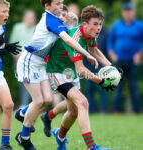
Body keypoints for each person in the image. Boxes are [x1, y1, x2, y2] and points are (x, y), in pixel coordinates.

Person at [15, 0, 100, 149]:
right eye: (57, 3)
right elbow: (67, 39)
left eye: (62, 3)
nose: (61, 6)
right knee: (38, 101)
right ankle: (24, 137)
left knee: (47, 99)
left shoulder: (56, 19)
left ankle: (22, 113)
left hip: (42, 63)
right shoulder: (50, 19)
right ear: (47, 6)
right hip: (31, 60)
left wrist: (70, 21)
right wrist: (87, 54)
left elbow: (68, 34)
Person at [45, 5, 114, 150]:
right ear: (84, 24)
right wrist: (101, 81)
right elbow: (82, 70)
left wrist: (110, 68)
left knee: (73, 111)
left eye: (100, 24)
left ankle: (60, 136)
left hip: (70, 72)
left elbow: (94, 50)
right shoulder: (74, 37)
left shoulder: (90, 35)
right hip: (57, 71)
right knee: (83, 102)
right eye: (95, 24)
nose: (99, 28)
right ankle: (92, 147)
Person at [0, 0, 21, 150]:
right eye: (3, 11)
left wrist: (6, 47)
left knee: (9, 106)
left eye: (7, 12)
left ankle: (5, 144)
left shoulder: (1, 27)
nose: (7, 15)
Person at [107, 2, 143, 113]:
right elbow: (109, 42)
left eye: (130, 11)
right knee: (118, 86)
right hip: (119, 60)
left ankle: (136, 111)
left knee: (133, 86)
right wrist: (112, 54)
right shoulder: (116, 25)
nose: (128, 13)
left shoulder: (139, 26)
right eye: (126, 11)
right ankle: (117, 110)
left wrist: (140, 54)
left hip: (133, 61)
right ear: (123, 13)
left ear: (133, 12)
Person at [10, 9, 36, 107]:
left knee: (32, 82)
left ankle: (28, 104)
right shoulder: (17, 28)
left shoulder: (36, 29)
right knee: (22, 82)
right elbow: (12, 44)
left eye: (32, 18)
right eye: (28, 17)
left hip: (32, 61)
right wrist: (17, 55)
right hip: (19, 59)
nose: (30, 20)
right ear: (24, 18)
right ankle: (24, 104)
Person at [83, 26, 109, 113]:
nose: (99, 26)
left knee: (102, 88)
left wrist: (107, 64)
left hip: (101, 66)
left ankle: (103, 111)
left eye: (100, 23)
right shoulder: (87, 31)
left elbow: (107, 48)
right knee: (89, 89)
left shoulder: (105, 33)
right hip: (88, 64)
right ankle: (90, 111)